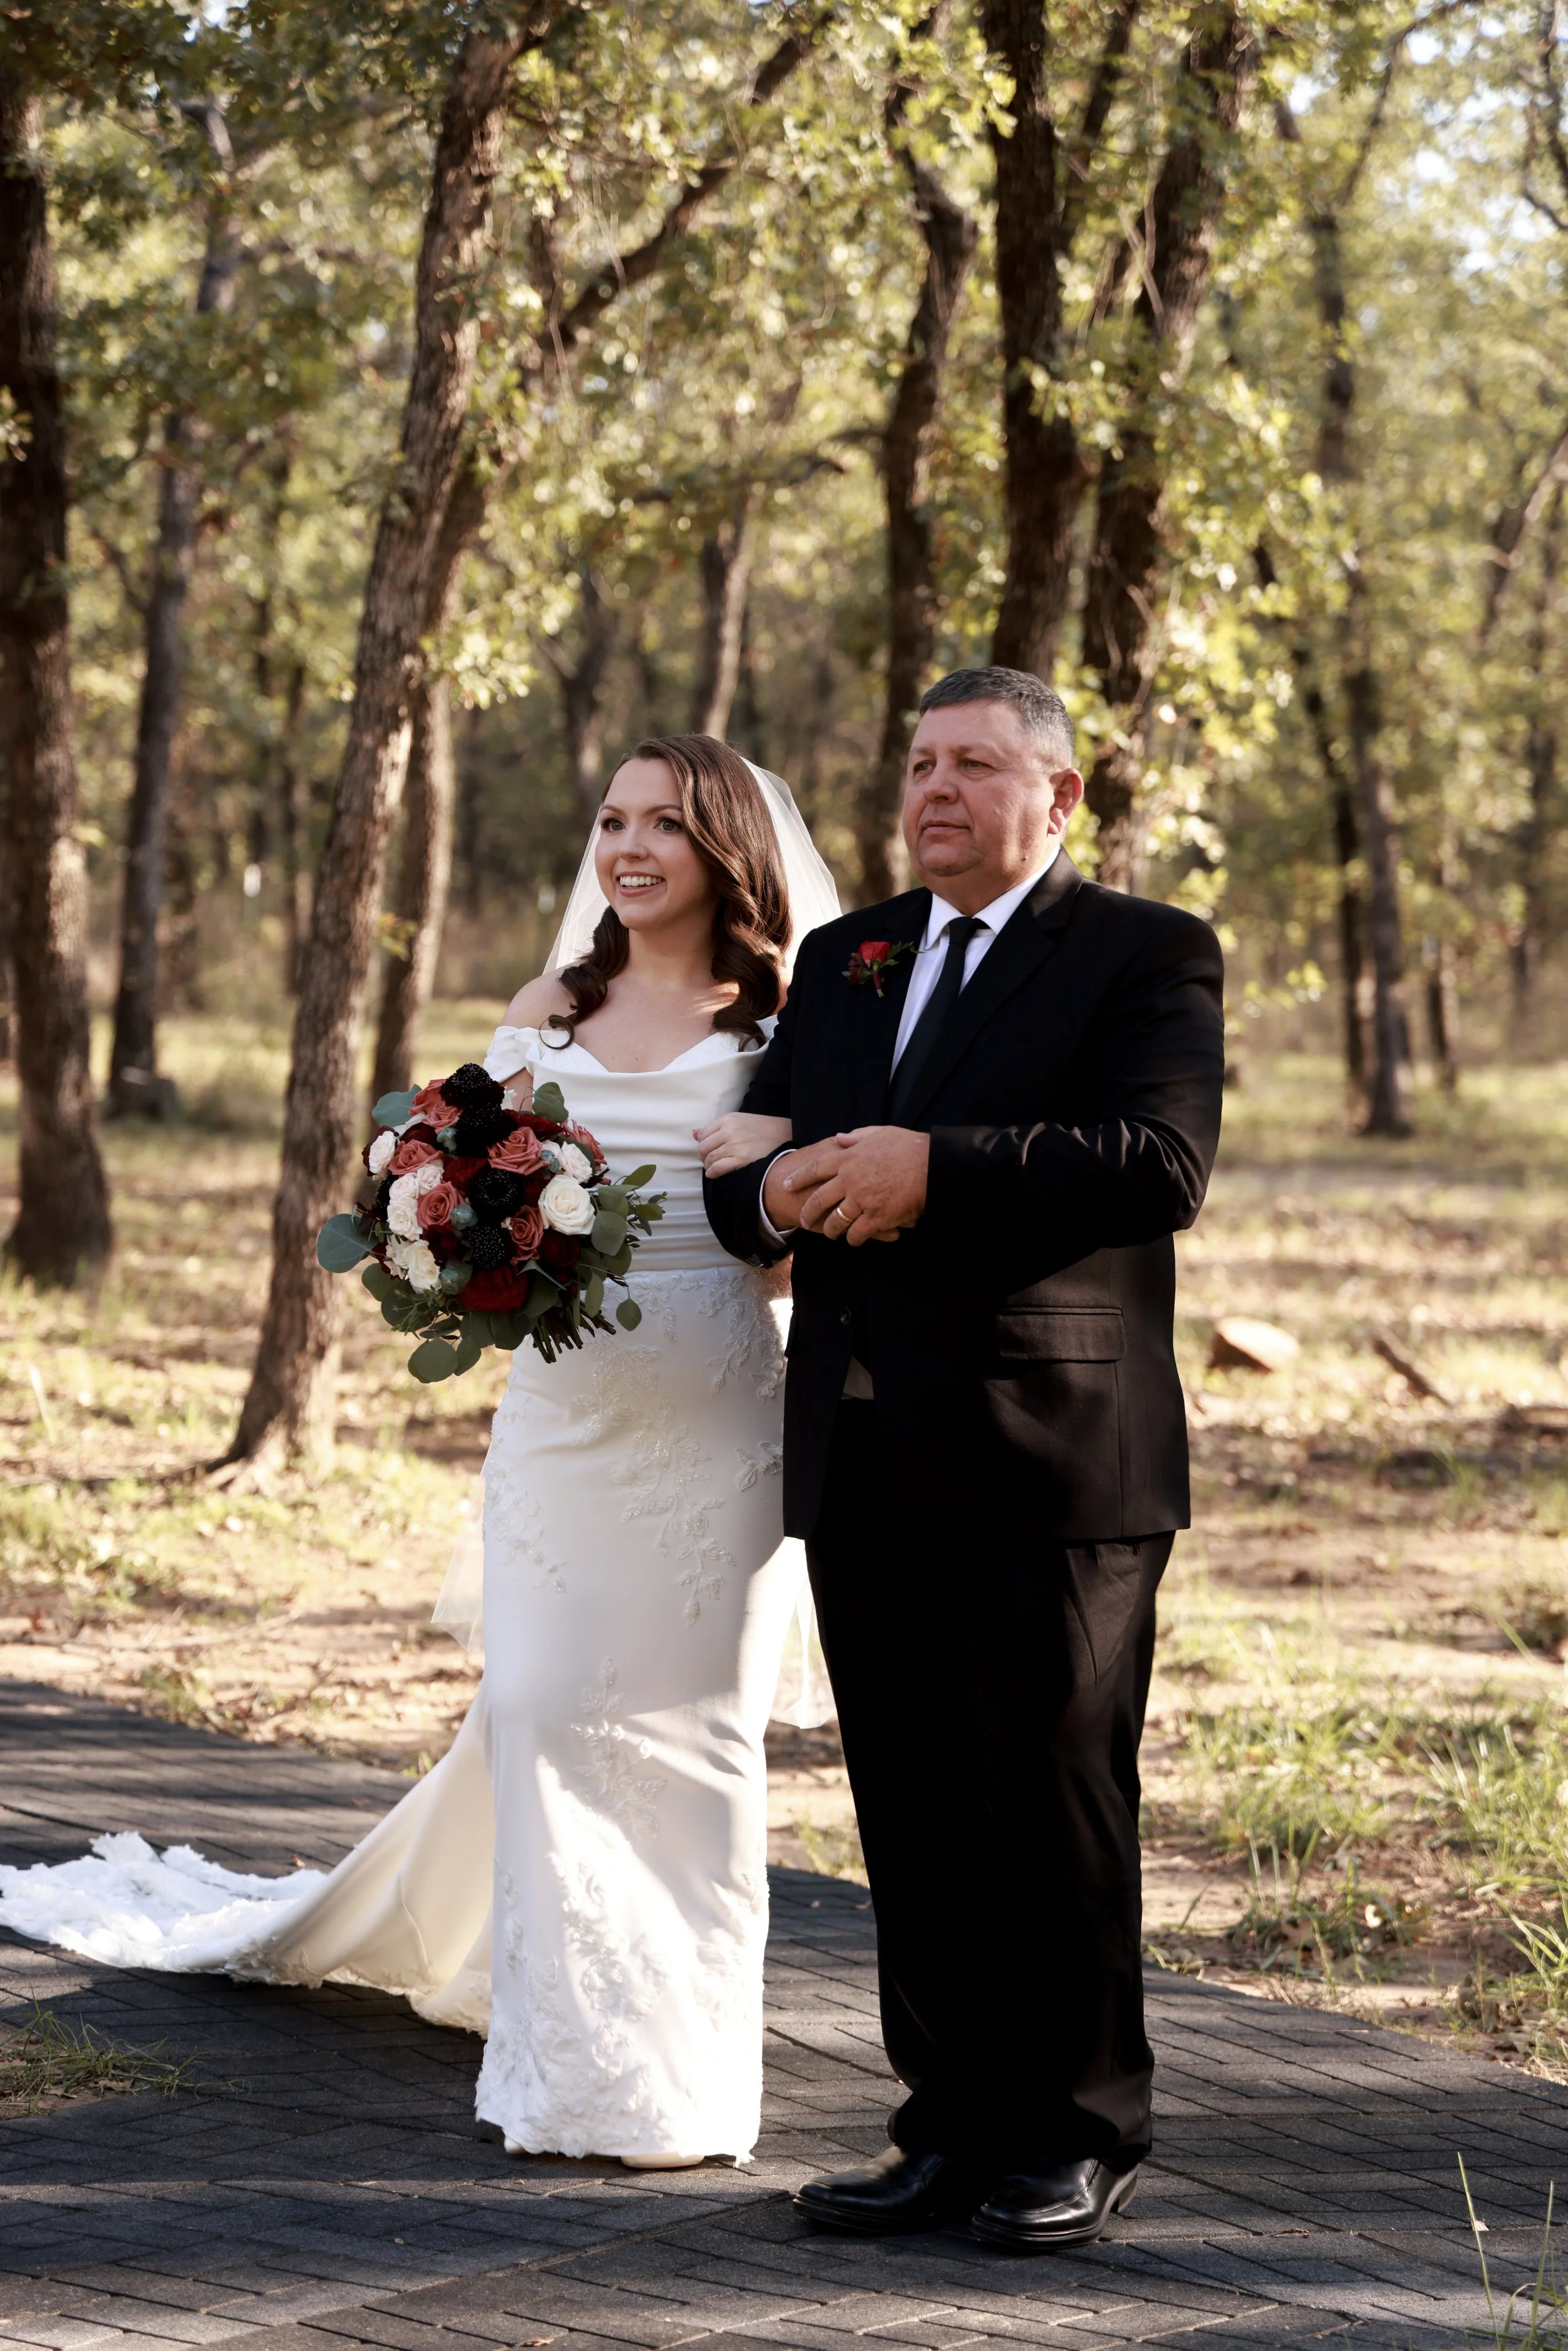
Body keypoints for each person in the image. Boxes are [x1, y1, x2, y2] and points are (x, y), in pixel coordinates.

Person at [0, 734, 838, 2172]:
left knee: (697, 1741)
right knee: (537, 1705)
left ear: (724, 848)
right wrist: (464, 1249)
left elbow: (792, 1232)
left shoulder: (789, 1022)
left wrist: (761, 1208)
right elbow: (459, 1184)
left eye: (663, 824)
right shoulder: (544, 1006)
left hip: (715, 1418)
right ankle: (562, 2053)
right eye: (611, 818)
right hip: (564, 1417)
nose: (626, 847)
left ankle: (678, 2079)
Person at [702, 667, 1224, 2249]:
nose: (932, 790)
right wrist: (787, 1192)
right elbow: (744, 1178)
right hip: (858, 1447)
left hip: (1054, 1460)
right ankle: (943, 2124)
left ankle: (1076, 2129)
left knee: (1050, 1793)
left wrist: (933, 1170)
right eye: (919, 764)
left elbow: (1157, 1162)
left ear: (1056, 798)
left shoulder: (1142, 951)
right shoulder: (842, 957)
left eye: (973, 766)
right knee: (911, 1805)